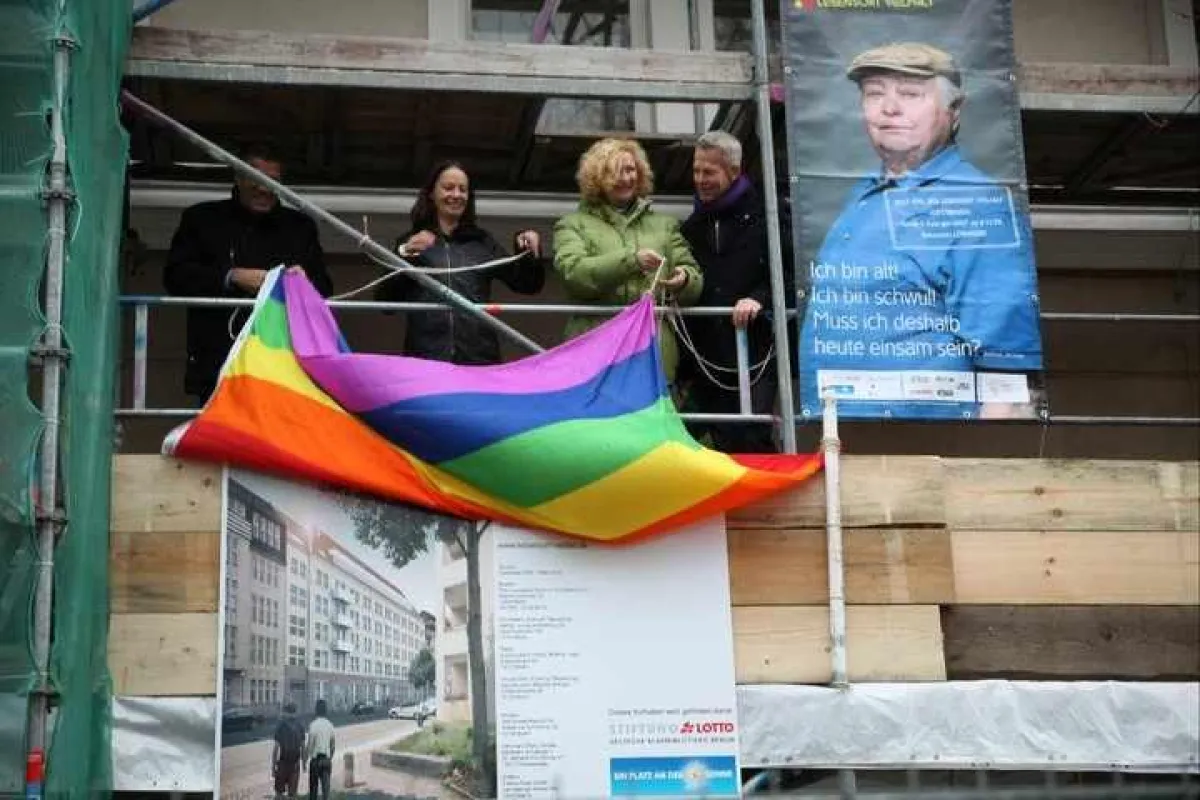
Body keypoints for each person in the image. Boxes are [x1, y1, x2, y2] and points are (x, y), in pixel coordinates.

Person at [798, 43, 1042, 419]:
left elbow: (1006, 372)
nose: (889, 108)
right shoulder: (863, 195)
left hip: (922, 454)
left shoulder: (977, 204)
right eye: (874, 94)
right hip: (837, 443)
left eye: (910, 94)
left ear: (954, 111)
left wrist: (984, 467)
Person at [164, 143, 333, 402]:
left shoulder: (300, 227)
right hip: (219, 356)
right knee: (219, 441)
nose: (264, 189)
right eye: (255, 179)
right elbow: (175, 277)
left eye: (272, 181)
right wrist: (232, 277)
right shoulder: (202, 219)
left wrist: (303, 283)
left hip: (281, 363)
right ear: (238, 177)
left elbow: (325, 289)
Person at [553, 138, 703, 386]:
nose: (625, 178)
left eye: (630, 170)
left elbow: (694, 277)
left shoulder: (665, 225)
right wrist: (632, 261)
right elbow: (574, 275)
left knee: (649, 422)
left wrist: (684, 279)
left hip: (652, 348)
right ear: (597, 178)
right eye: (614, 172)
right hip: (595, 347)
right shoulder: (571, 224)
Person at [378, 160, 546, 364]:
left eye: (463, 190)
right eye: (448, 188)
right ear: (431, 194)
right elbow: (385, 302)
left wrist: (527, 250)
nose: (456, 195)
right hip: (426, 359)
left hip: (479, 360)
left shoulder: (482, 242)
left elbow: (527, 284)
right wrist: (405, 253)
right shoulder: (410, 241)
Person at [678, 131, 782, 453]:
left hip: (754, 350)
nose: (700, 180)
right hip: (703, 356)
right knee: (696, 440)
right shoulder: (691, 226)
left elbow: (789, 275)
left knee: (750, 436)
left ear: (734, 171)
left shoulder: (769, 217)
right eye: (696, 171)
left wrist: (759, 299)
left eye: (709, 172)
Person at [271, 701, 305, 799]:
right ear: (295, 712)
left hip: (282, 763)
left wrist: (273, 768)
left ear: (285, 712)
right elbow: (303, 746)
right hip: (295, 764)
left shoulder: (280, 725)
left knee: (279, 793)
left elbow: (275, 749)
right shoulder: (300, 725)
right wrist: (304, 764)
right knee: (293, 794)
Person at [305, 699, 335, 800]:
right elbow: (332, 745)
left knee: (313, 790)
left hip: (315, 761)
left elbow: (309, 746)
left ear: (316, 710)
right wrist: (329, 758)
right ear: (326, 711)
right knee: (326, 791)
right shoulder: (330, 725)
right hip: (326, 760)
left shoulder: (313, 725)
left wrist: (305, 761)